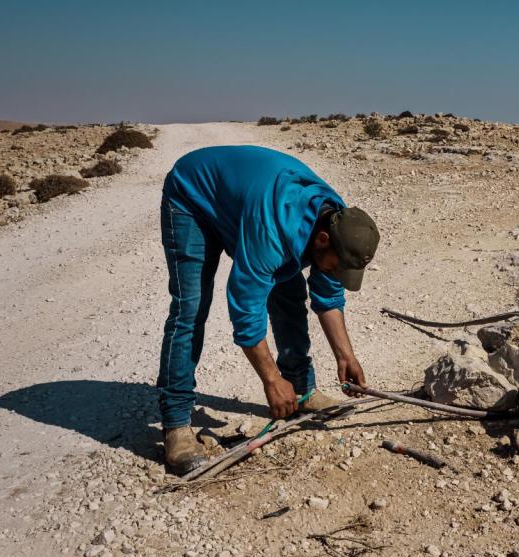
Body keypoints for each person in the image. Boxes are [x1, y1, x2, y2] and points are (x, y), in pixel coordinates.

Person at [158, 145, 379, 474]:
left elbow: (328, 294)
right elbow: (246, 311)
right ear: (321, 240)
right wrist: (271, 380)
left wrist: (345, 355)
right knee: (191, 309)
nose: (337, 273)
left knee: (289, 294)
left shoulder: (338, 223)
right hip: (193, 197)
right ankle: (176, 424)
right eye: (339, 267)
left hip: (245, 205)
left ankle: (302, 391)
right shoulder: (273, 232)